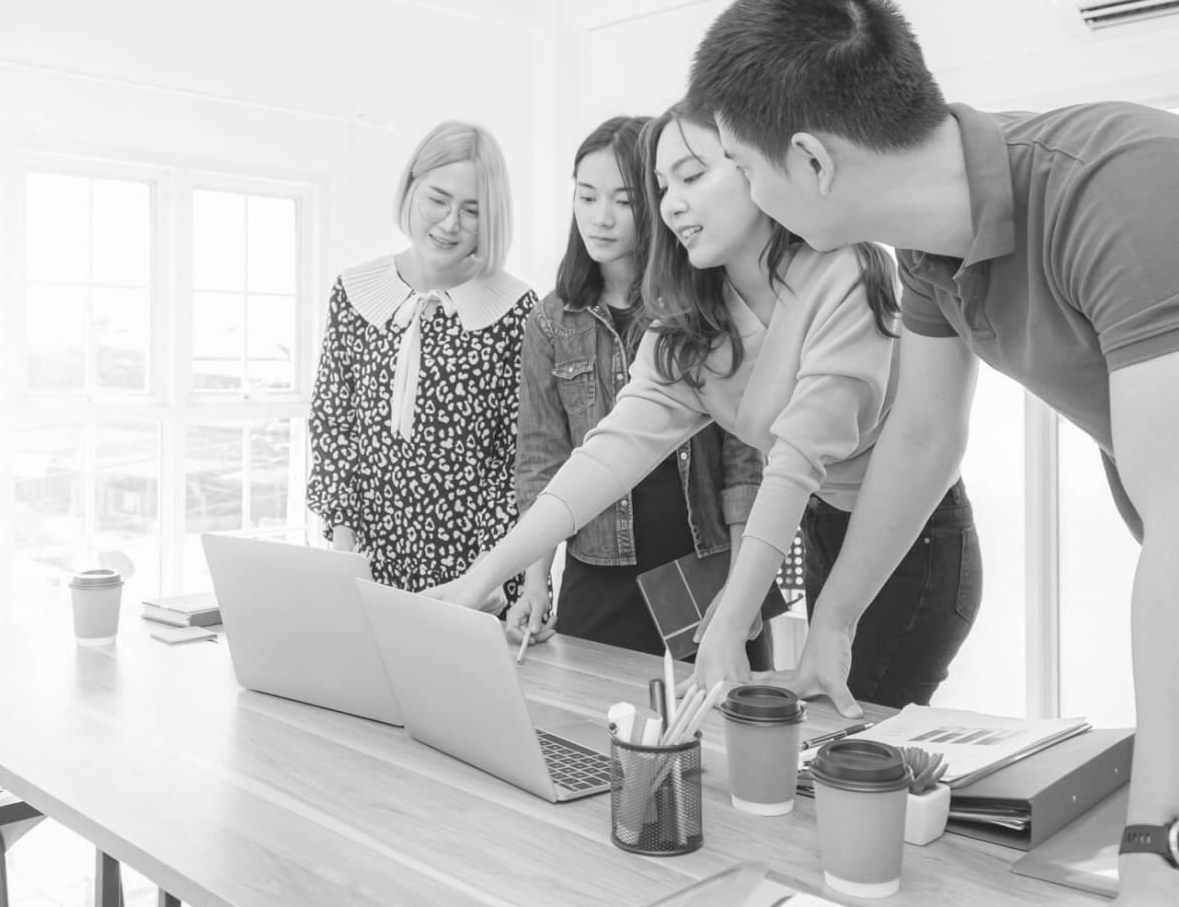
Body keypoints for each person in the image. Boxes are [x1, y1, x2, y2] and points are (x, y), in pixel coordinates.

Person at [686, 0, 1179, 907]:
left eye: (739, 165)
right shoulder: (936, 248)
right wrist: (833, 625)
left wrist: (1162, 841)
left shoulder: (1131, 187)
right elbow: (925, 436)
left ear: (810, 160)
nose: (742, 194)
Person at [429, 102, 982, 709]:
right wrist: (479, 578)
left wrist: (730, 621)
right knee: (822, 755)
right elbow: (605, 455)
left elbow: (793, 461)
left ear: (755, 169)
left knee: (856, 750)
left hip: (916, 540)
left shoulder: (843, 271)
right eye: (663, 186)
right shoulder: (687, 322)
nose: (670, 204)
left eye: (692, 177)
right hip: (826, 526)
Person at [507, 115, 781, 666]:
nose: (600, 218)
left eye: (625, 201)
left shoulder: (701, 305)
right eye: (586, 197)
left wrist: (740, 581)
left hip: (703, 563)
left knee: (721, 731)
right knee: (592, 738)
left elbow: (744, 458)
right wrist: (533, 582)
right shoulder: (551, 321)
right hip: (599, 574)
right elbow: (542, 460)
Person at [306, 120, 535, 606]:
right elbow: (334, 423)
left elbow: (519, 456)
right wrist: (344, 545)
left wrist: (491, 575)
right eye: (438, 199)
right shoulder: (354, 292)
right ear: (410, 186)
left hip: (477, 568)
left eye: (472, 210)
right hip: (369, 560)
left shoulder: (516, 308)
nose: (450, 223)